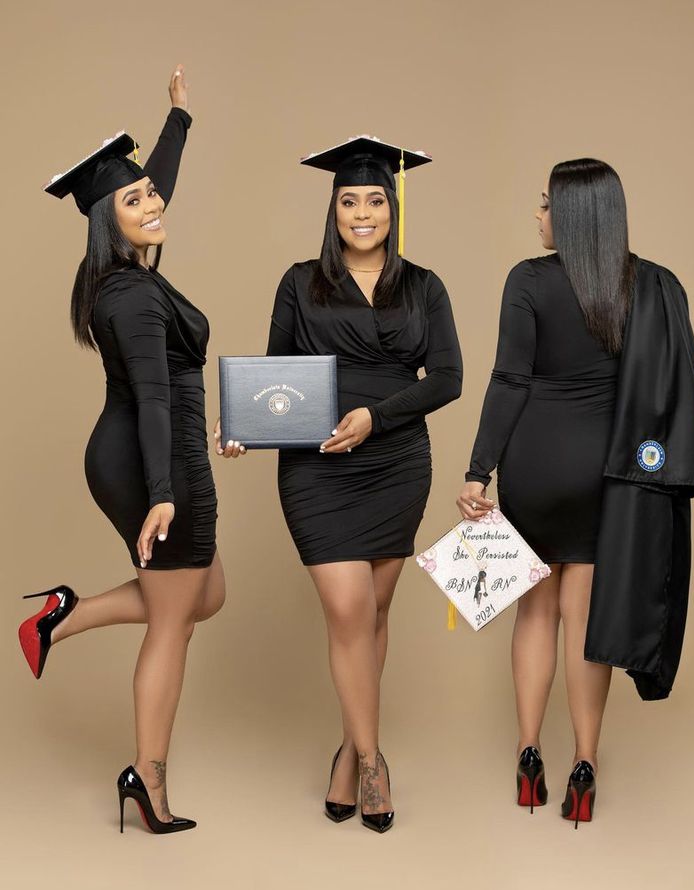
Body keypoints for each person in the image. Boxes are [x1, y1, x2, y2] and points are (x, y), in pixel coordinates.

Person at [217, 137, 462, 832]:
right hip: (317, 467)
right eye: (348, 200)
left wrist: (374, 418)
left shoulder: (424, 286)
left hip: (396, 464)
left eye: (375, 200)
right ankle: (375, 762)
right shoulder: (300, 282)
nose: (362, 213)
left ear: (393, 208)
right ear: (333, 209)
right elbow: (273, 375)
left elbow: (447, 378)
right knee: (350, 612)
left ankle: (345, 756)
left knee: (375, 616)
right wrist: (242, 425)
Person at [457, 158, 694, 827]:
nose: (536, 216)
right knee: (585, 623)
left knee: (534, 614)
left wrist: (477, 471)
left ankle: (528, 754)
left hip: (534, 467)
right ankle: (584, 765)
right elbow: (686, 385)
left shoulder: (527, 281)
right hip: (608, 475)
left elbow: (507, 381)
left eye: (544, 205)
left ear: (568, 215)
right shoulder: (651, 286)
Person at [18, 66, 224, 834]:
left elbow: (150, 191)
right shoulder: (133, 296)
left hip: (152, 449)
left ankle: (62, 616)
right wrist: (165, 491)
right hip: (149, 455)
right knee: (176, 620)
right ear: (110, 220)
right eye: (133, 200)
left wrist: (177, 120)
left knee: (204, 594)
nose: (153, 202)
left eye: (151, 193)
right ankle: (148, 781)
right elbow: (154, 398)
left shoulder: (120, 271)